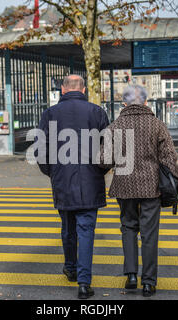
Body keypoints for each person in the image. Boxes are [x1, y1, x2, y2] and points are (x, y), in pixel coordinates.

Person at [99, 85, 178, 297]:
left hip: (124, 186)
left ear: (124, 104)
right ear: (146, 102)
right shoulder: (157, 125)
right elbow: (169, 159)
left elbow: (104, 161)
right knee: (149, 233)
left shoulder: (115, 126)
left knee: (128, 227)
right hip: (151, 187)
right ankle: (148, 282)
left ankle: (131, 276)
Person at [35, 75, 109, 299]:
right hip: (91, 181)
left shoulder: (49, 114)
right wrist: (99, 171)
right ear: (84, 89)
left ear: (62, 90)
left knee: (68, 228)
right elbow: (108, 149)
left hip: (62, 180)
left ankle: (71, 268)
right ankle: (84, 284)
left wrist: (53, 172)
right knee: (86, 231)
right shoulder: (97, 112)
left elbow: (41, 150)